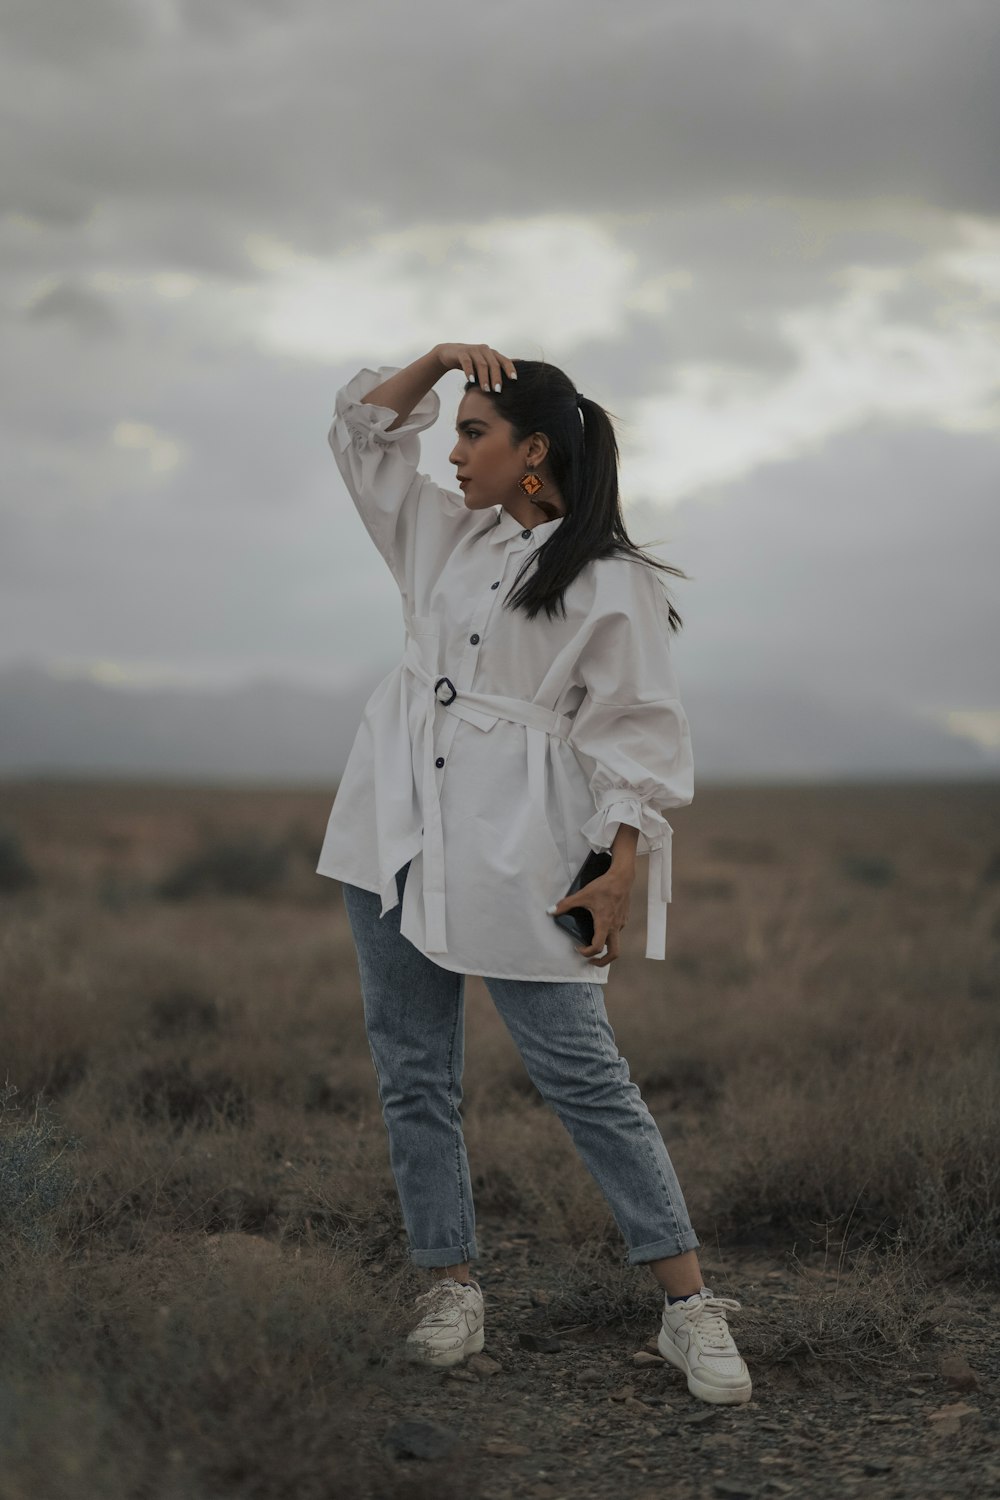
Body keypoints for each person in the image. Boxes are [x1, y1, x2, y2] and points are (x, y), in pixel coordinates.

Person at [316, 342, 752, 1406]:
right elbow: (362, 436)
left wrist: (616, 868)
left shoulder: (611, 581)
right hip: (395, 829)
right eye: (455, 431)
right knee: (413, 1073)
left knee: (584, 1078)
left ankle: (687, 1307)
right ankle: (449, 1284)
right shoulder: (441, 536)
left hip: (523, 843)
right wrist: (430, 363)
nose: (452, 454)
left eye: (473, 434)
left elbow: (636, 741)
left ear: (535, 454)